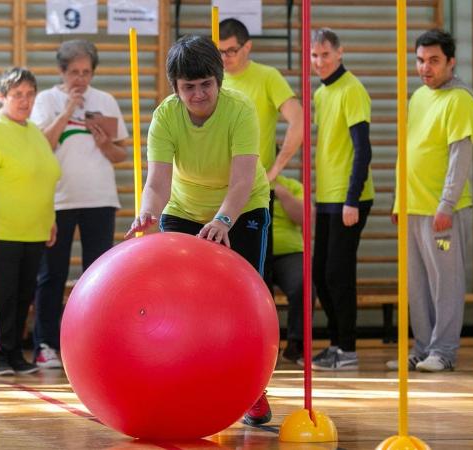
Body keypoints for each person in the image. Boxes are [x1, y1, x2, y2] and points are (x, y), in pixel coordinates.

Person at [125, 35, 272, 426]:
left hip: (242, 208)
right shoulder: (166, 116)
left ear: (219, 80)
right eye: (188, 87)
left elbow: (242, 180)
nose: (198, 94)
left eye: (206, 84)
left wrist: (223, 221)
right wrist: (146, 214)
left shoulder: (240, 111)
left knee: (246, 299)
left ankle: (254, 390)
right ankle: (184, 378)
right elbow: (157, 182)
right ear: (175, 87)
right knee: (177, 299)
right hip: (185, 207)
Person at [31, 40, 129, 369]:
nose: (81, 79)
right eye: (74, 72)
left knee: (98, 276)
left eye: (86, 72)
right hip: (57, 200)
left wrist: (104, 143)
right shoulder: (46, 100)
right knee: (52, 275)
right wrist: (67, 110)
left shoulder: (106, 101)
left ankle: (94, 344)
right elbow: (41, 145)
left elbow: (120, 154)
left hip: (100, 199)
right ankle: (46, 343)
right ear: (62, 72)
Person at [386, 29, 473, 373]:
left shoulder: (460, 100)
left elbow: (460, 156)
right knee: (418, 286)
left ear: (451, 62)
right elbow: (409, 151)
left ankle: (444, 351)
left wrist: (446, 204)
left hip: (442, 213)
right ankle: (423, 348)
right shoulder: (419, 97)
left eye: (434, 61)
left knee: (446, 284)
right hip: (412, 209)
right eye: (421, 60)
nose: (426, 68)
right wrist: (399, 200)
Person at [0, 68, 61, 376]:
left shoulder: (32, 131)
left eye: (30, 94)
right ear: (2, 97)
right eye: (17, 94)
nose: (24, 100)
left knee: (23, 296)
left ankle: (15, 353)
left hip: (32, 231)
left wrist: (50, 220)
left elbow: (42, 178)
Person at [218, 18, 304, 300]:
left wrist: (275, 169)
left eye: (231, 50)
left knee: (257, 273)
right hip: (215, 191)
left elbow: (299, 120)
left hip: (254, 191)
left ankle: (264, 343)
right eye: (220, 51)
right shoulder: (212, 80)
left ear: (248, 47)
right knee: (221, 274)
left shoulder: (267, 77)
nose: (225, 58)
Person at [309, 28, 375, 371]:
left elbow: (363, 150)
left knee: (338, 273)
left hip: (351, 199)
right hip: (328, 197)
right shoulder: (322, 93)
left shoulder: (352, 90)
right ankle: (335, 344)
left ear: (340, 53)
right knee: (320, 273)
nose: (319, 62)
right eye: (314, 55)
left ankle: (347, 348)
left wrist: (351, 198)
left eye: (325, 55)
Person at [271, 175, 310, 363]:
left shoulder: (292, 186)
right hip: (258, 251)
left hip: (290, 253)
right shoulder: (243, 180)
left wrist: (283, 194)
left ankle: (296, 345)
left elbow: (305, 219)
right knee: (257, 293)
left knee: (305, 284)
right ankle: (268, 347)